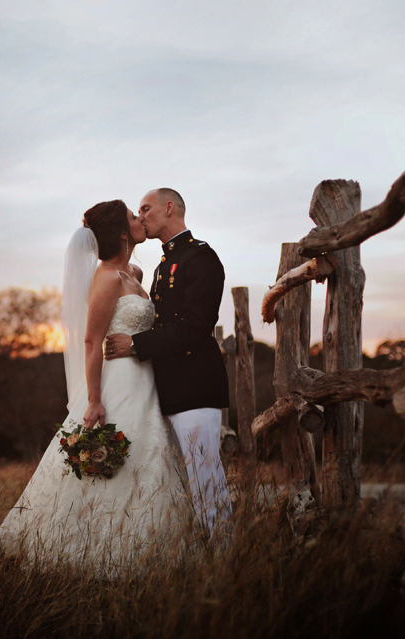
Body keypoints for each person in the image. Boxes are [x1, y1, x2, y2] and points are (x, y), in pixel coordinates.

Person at [0, 199, 193, 575]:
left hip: (145, 382)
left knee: (148, 459)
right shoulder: (107, 278)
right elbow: (93, 341)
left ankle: (148, 552)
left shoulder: (134, 274)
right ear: (122, 232)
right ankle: (83, 554)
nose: (140, 219)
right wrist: (95, 399)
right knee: (115, 460)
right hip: (117, 383)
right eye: (133, 216)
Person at [104, 188, 232, 537]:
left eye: (146, 208)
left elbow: (195, 327)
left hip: (195, 384)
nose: (141, 216)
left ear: (169, 208)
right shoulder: (162, 265)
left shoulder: (200, 257)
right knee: (179, 478)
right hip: (165, 387)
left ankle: (225, 554)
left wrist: (136, 344)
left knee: (205, 475)